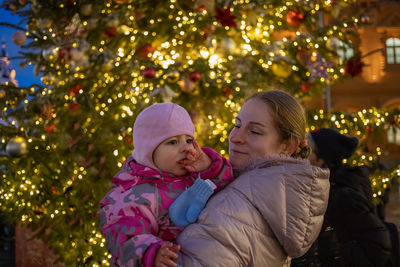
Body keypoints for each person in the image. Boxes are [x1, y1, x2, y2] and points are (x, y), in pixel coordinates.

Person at [173, 90, 330, 266]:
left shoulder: (232, 208)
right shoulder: (275, 199)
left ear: (287, 146)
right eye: (237, 125)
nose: (235, 137)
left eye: (254, 131)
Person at [98, 103, 234, 267]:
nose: (186, 148)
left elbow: (227, 188)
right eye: (173, 142)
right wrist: (151, 253)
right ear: (149, 150)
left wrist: (209, 166)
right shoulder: (134, 193)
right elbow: (124, 235)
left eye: (189, 140)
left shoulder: (194, 174)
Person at [292, 128, 392, 267]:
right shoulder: (321, 187)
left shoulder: (342, 194)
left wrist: (339, 258)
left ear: (322, 157)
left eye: (309, 150)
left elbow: (378, 246)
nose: (303, 155)